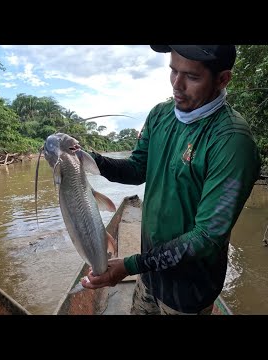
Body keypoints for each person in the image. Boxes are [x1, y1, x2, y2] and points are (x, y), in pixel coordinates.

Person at [82, 45, 261, 315]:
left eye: (191, 77)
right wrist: (87, 159)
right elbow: (137, 169)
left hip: (189, 290)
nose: (177, 85)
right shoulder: (160, 115)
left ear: (222, 79)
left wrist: (130, 266)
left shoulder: (232, 142)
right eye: (172, 71)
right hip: (149, 275)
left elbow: (206, 237)